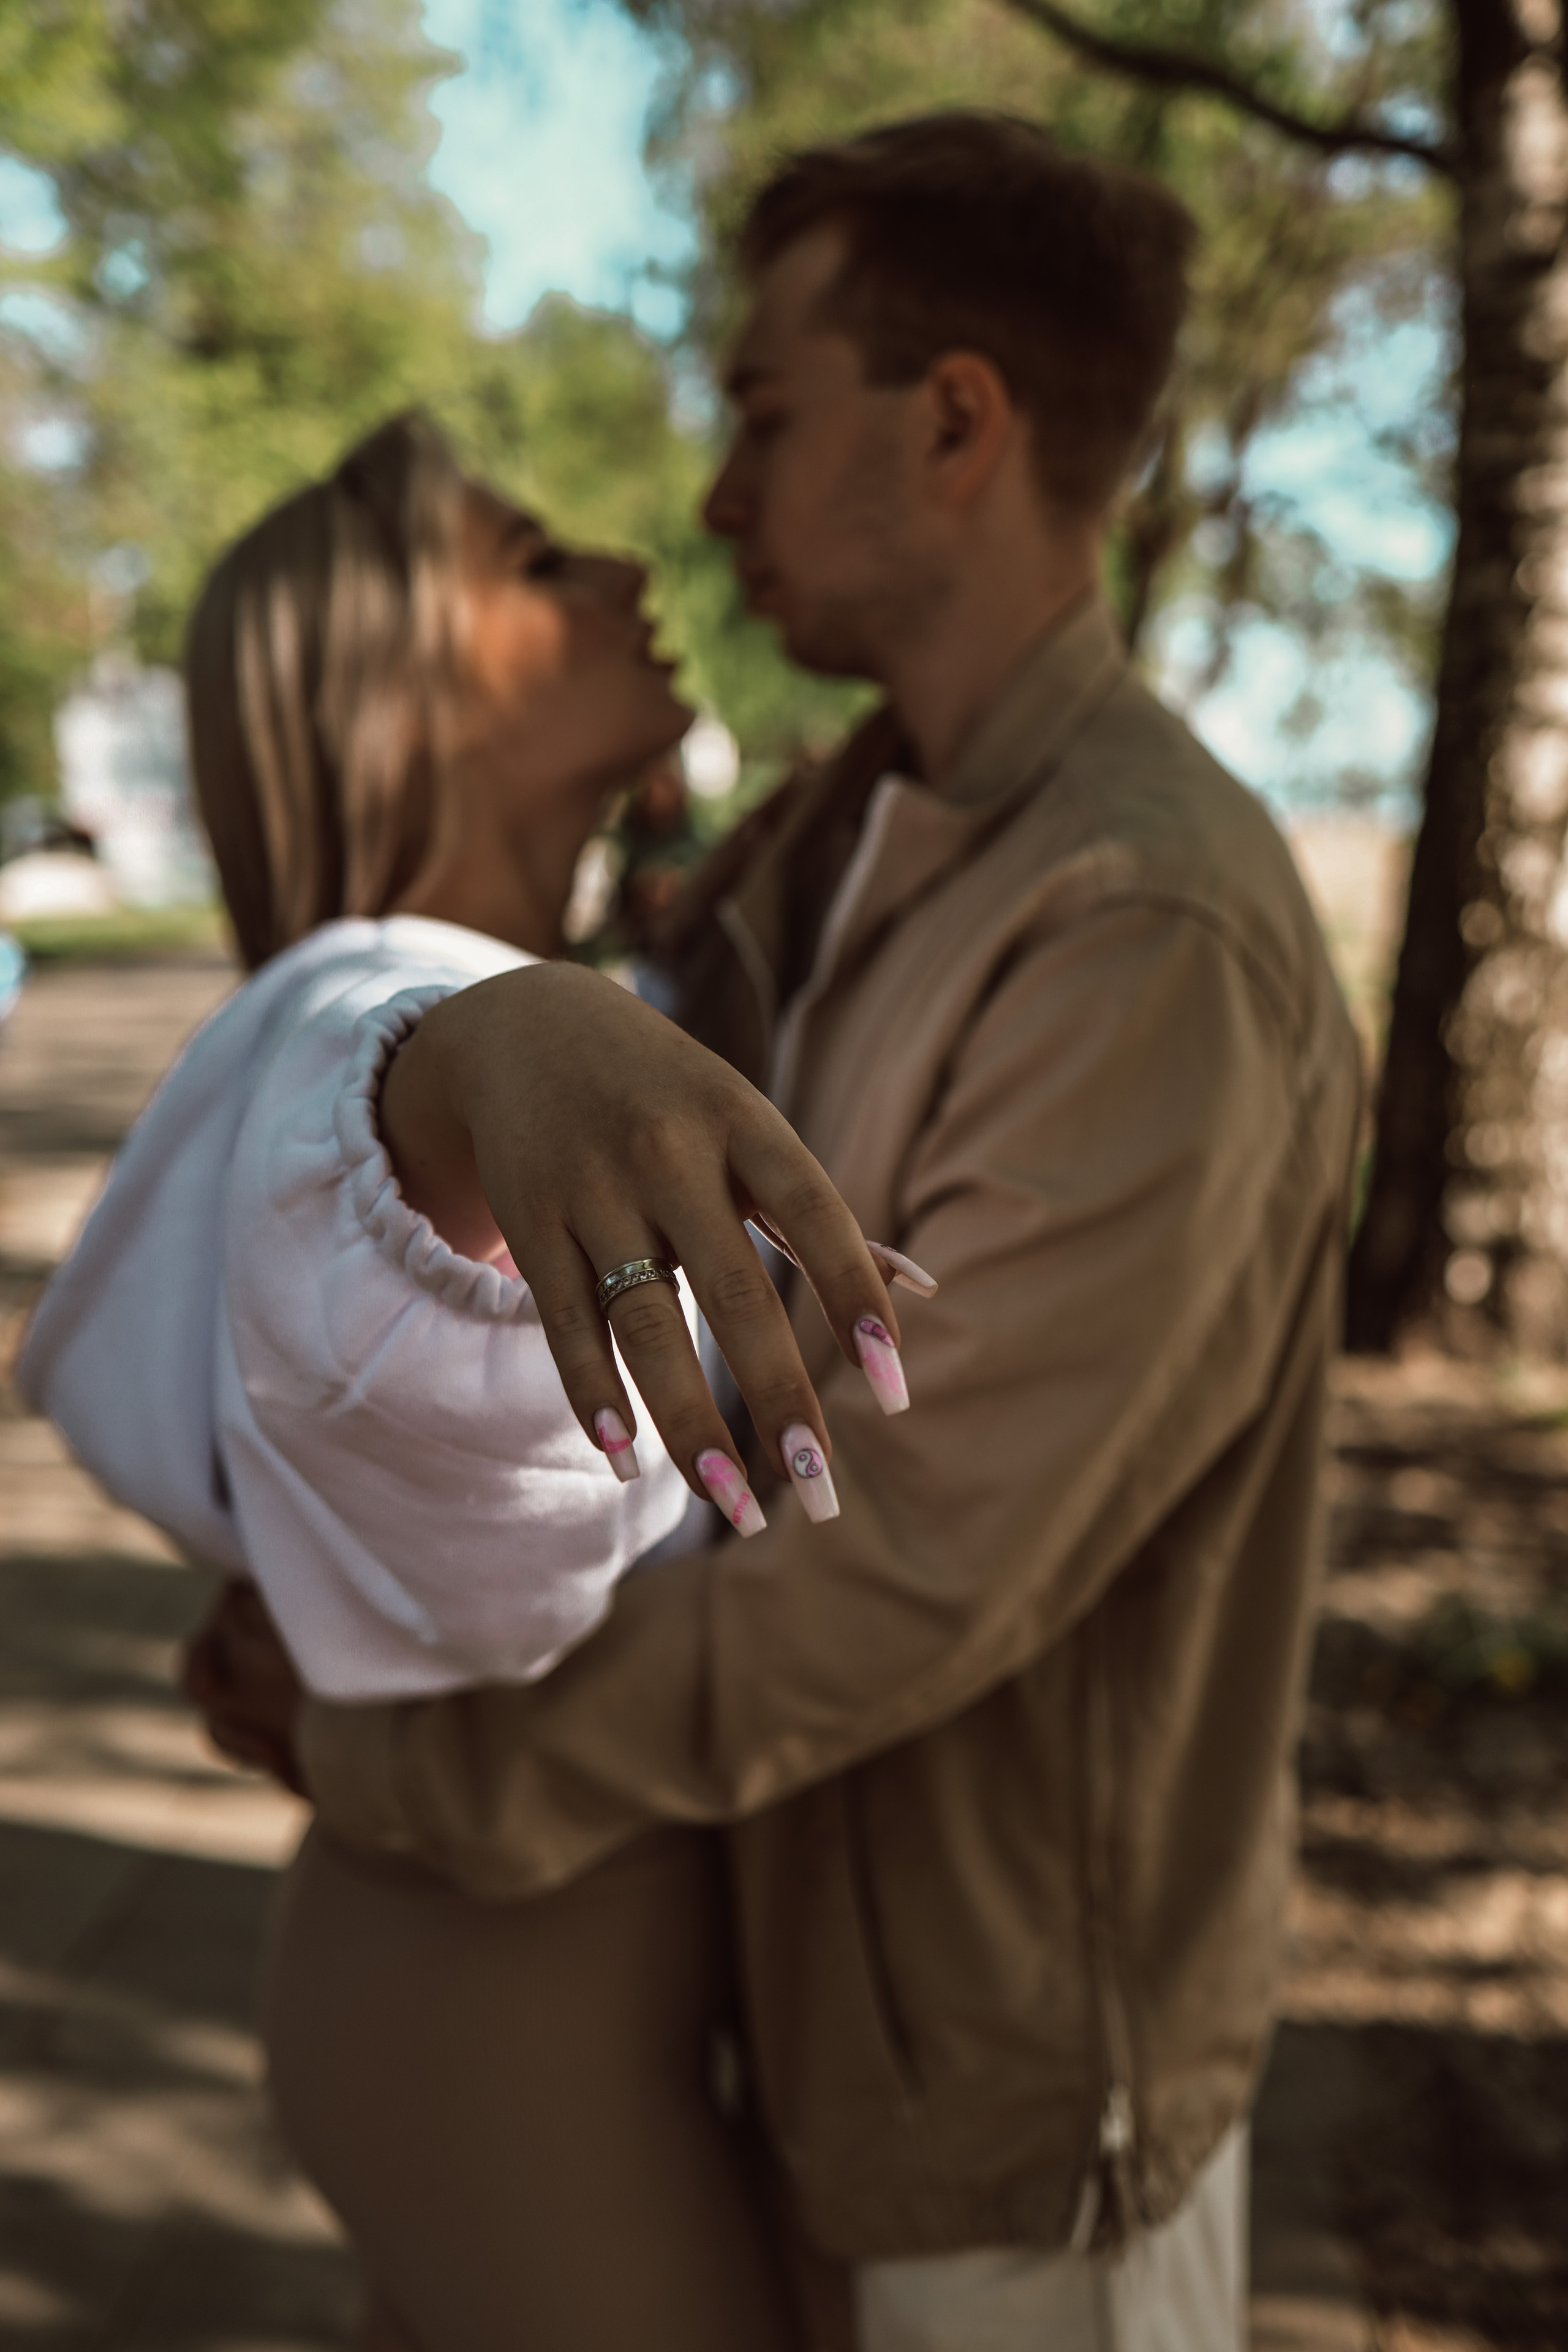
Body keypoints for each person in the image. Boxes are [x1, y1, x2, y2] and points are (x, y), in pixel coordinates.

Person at [186, 113, 1363, 2352]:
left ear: (952, 427)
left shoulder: (1144, 920)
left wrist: (382, 1759)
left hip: (1003, 2112)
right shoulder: (845, 848)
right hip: (786, 2012)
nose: (707, 503)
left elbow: (902, 1554)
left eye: (757, 410)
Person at [19, 412, 915, 2351]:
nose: (624, 567)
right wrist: (495, 1051)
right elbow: (365, 1100)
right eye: (533, 562)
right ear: (393, 695)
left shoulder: (600, 962)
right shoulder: (363, 998)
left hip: (507, 1983)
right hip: (490, 2018)